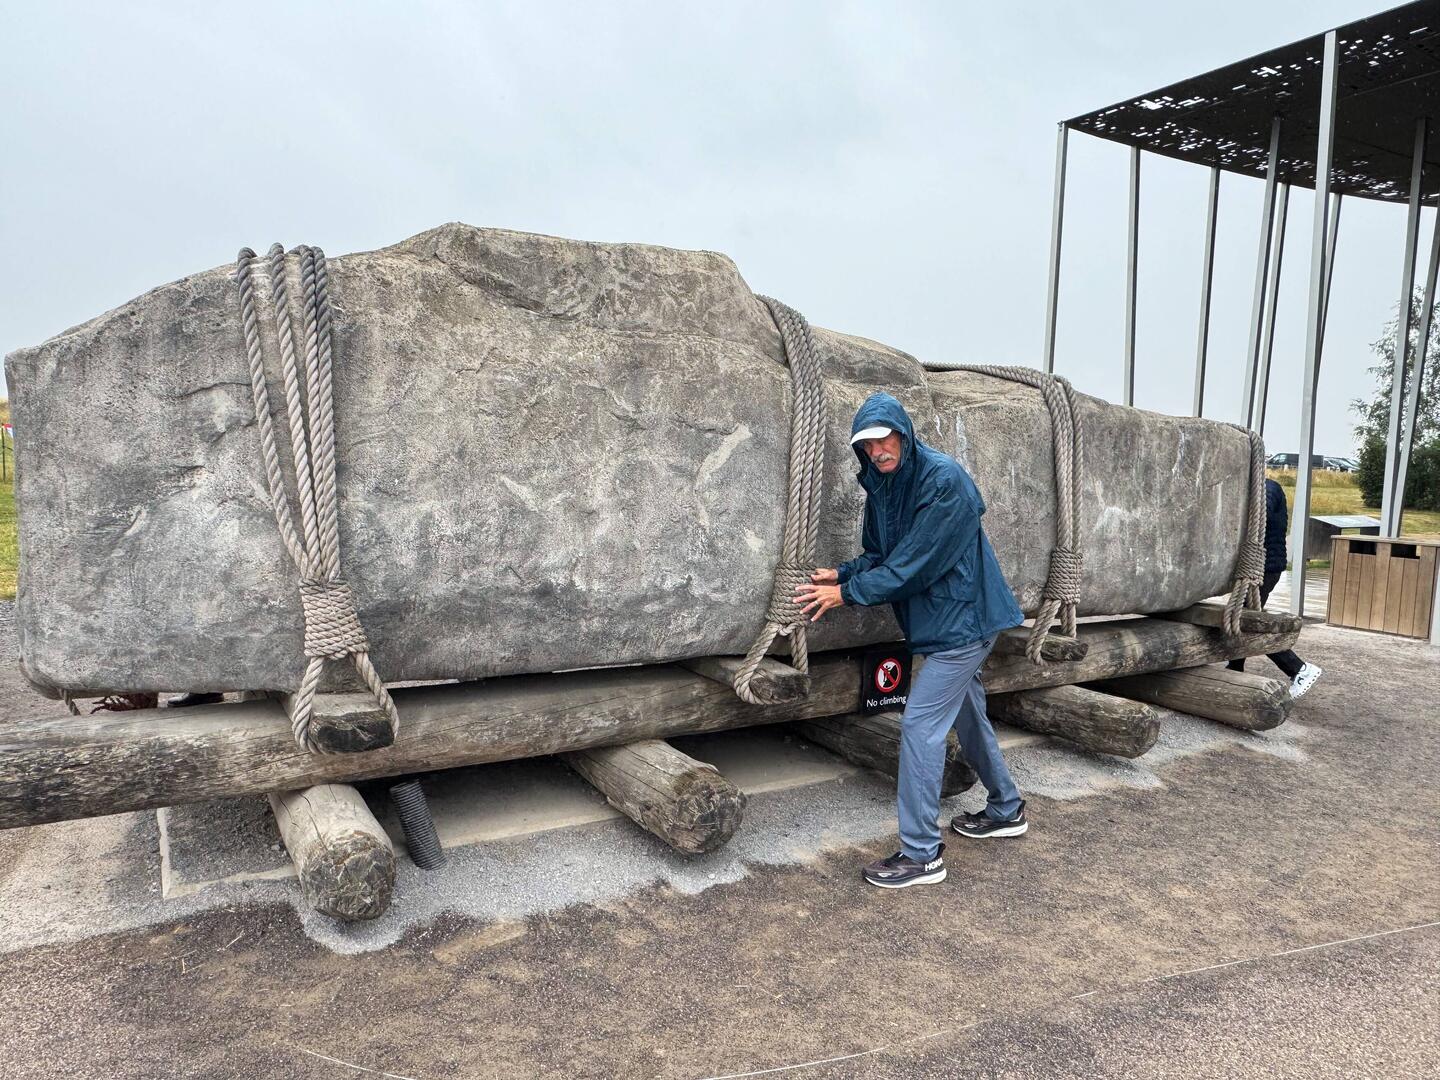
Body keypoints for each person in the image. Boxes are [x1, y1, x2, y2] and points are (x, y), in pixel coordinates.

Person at [795, 392, 1028, 889]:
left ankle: (922, 855)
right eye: (868, 445)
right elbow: (882, 552)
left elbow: (913, 566)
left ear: (903, 433)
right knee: (968, 716)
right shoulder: (882, 485)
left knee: (920, 726)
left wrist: (846, 593)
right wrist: (843, 571)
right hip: (943, 623)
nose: (879, 451)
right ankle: (1007, 809)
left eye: (885, 439)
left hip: (964, 623)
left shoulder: (944, 482)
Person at [1228, 477, 1322, 698]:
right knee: (1244, 620)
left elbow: (1262, 513)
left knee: (1247, 621)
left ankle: (1299, 669)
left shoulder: (1267, 488)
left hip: (1263, 568)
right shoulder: (1262, 487)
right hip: (1262, 567)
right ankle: (1235, 668)